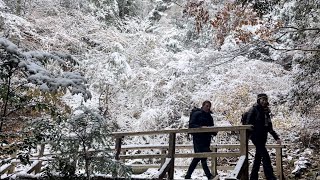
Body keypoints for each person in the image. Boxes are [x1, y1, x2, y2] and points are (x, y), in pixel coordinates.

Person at [245, 93, 281, 180]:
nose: (264, 101)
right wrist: (248, 137)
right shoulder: (253, 110)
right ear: (258, 100)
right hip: (256, 137)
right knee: (266, 157)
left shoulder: (266, 112)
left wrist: (276, 138)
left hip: (263, 137)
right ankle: (270, 177)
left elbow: (269, 127)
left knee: (258, 157)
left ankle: (253, 177)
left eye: (265, 100)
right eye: (262, 100)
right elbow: (247, 125)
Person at [185, 100, 216, 180]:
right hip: (198, 139)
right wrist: (201, 127)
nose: (208, 108)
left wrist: (214, 131)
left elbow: (212, 127)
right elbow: (191, 125)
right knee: (199, 156)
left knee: (201, 157)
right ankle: (209, 176)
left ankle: (188, 176)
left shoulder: (209, 116)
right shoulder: (196, 114)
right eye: (206, 106)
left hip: (206, 139)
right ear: (202, 106)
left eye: (209, 106)